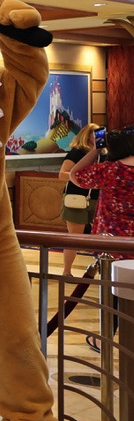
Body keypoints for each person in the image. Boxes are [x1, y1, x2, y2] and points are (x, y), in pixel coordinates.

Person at [70, 124, 134, 351]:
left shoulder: (111, 170)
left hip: (111, 244)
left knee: (111, 295)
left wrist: (96, 150)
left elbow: (75, 175)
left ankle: (104, 339)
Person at [58, 123, 101, 275]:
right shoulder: (77, 152)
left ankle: (102, 270)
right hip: (76, 198)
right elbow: (62, 174)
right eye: (95, 133)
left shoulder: (103, 154)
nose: (98, 136)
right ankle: (67, 271)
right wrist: (81, 178)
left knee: (100, 237)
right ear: (87, 135)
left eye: (100, 133)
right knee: (75, 238)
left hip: (96, 198)